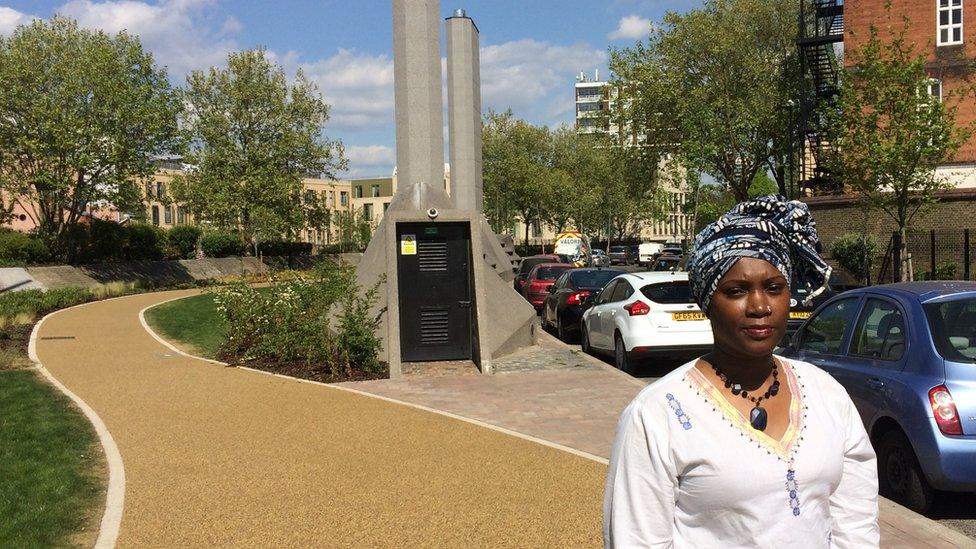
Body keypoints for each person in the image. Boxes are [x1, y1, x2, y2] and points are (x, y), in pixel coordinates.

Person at [603, 196, 879, 548]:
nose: (760, 306)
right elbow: (636, 539)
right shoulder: (658, 414)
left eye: (774, 288)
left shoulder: (825, 393)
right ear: (707, 302)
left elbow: (855, 521)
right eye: (736, 291)